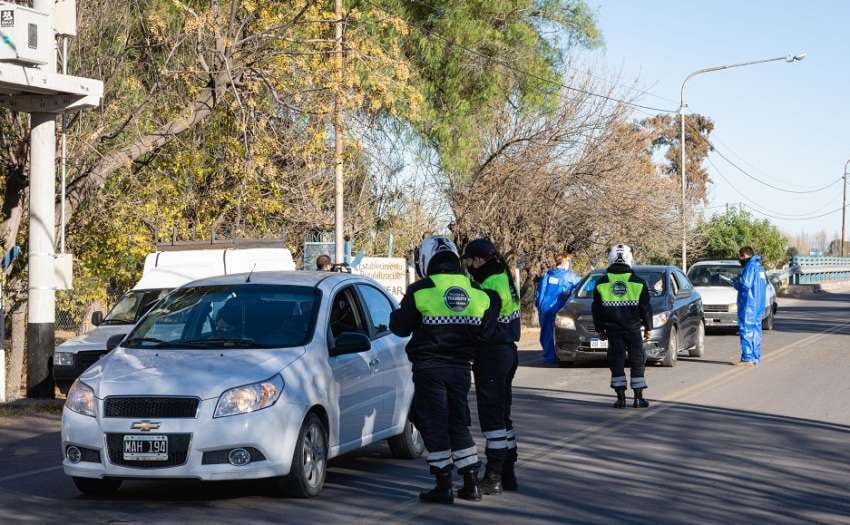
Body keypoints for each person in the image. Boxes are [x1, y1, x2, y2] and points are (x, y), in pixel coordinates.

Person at [390, 236, 498, 504]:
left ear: (426, 260)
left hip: (429, 368)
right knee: (458, 421)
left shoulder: (420, 290)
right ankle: (471, 482)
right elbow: (486, 331)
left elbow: (399, 327)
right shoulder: (478, 293)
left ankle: (443, 485)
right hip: (461, 368)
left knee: (434, 422)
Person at [461, 239, 521, 495]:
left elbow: (485, 325)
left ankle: (494, 475)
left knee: (493, 419)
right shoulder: (501, 277)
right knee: (503, 417)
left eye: (469, 262)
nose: (468, 267)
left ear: (479, 260)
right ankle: (507, 472)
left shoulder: (491, 286)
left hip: (493, 355)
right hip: (506, 352)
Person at [591, 244, 653, 409]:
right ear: (629, 259)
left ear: (610, 259)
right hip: (633, 330)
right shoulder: (638, 283)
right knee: (637, 360)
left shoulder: (601, 283)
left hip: (613, 331)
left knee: (616, 361)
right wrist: (648, 328)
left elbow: (596, 309)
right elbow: (646, 308)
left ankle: (621, 399)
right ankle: (638, 399)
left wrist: (600, 329)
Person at [535, 254, 581, 364]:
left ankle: (549, 357)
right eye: (568, 261)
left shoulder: (548, 275)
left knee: (546, 333)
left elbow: (539, 292)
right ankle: (558, 356)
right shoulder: (570, 276)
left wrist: (540, 306)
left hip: (545, 309)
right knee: (560, 333)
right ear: (564, 262)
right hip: (559, 308)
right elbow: (582, 285)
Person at [733, 246, 767, 367]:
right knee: (756, 331)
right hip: (759, 305)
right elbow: (764, 284)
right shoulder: (760, 268)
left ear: (745, 255)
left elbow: (745, 284)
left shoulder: (750, 267)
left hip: (748, 304)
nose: (739, 259)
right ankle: (755, 357)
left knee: (746, 330)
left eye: (740, 256)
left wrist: (735, 283)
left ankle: (747, 358)